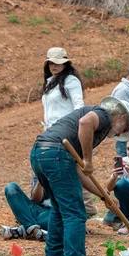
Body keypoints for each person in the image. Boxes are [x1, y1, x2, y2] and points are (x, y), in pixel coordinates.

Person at [30, 96, 129, 256]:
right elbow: (85, 123)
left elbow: (77, 172)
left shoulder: (82, 131)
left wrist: (105, 196)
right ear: (120, 117)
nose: (118, 133)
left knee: (60, 210)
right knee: (75, 214)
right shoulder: (103, 114)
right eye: (123, 127)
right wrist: (88, 159)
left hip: (41, 154)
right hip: (56, 155)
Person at [41, 47, 97, 217]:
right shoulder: (50, 82)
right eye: (51, 62)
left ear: (65, 64)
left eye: (57, 62)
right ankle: (81, 208)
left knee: (74, 168)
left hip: (66, 131)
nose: (54, 65)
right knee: (69, 168)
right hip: (51, 132)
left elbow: (78, 105)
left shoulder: (71, 81)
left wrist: (74, 127)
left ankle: (87, 209)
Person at [0, 175, 49, 241]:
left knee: (57, 216)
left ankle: (23, 228)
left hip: (54, 212)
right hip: (37, 209)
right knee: (11, 188)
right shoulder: (40, 168)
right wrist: (40, 181)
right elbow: (36, 199)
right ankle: (34, 230)